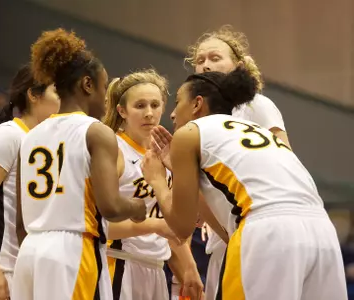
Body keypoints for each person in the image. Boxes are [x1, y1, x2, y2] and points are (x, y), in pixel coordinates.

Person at [141, 67, 347, 300]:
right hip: (322, 231)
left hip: (268, 232)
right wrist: (182, 170)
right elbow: (228, 229)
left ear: (197, 104)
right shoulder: (258, 132)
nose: (172, 114)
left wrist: (157, 180)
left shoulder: (190, 132)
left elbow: (181, 226)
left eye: (178, 101)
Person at [12, 28, 147, 300]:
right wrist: (137, 207)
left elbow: (19, 222)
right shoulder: (95, 131)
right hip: (74, 250)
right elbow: (109, 206)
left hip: (30, 251)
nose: (107, 100)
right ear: (87, 85)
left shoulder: (31, 136)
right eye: (103, 87)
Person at [182, 25, 291, 300]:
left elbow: (286, 161)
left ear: (238, 66)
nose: (206, 65)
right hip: (225, 239)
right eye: (200, 59)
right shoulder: (196, 119)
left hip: (259, 231)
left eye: (215, 58)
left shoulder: (254, 104)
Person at [0, 64, 60, 300]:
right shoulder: (6, 136)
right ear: (34, 95)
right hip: (1, 273)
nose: (64, 97)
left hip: (33, 273)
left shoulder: (52, 144)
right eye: (57, 90)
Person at [102, 72, 202, 300]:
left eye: (155, 105)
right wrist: (154, 226)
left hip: (157, 268)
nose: (149, 113)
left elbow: (169, 223)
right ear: (122, 111)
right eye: (140, 105)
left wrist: (188, 266)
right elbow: (99, 225)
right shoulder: (114, 149)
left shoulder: (168, 154)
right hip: (118, 261)